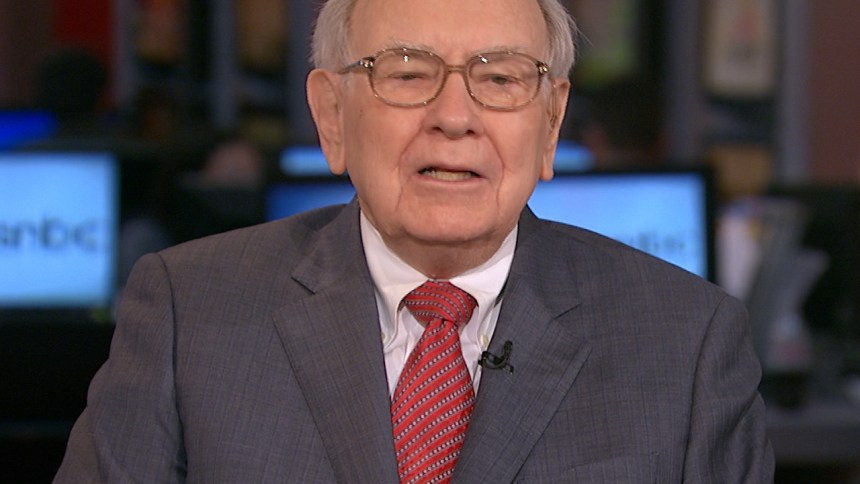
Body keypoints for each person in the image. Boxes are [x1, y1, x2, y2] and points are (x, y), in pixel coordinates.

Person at [54, 0, 774, 482]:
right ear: (331, 116)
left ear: (552, 124)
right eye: (406, 73)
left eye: (500, 78)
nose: (455, 117)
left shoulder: (688, 339)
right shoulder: (188, 312)